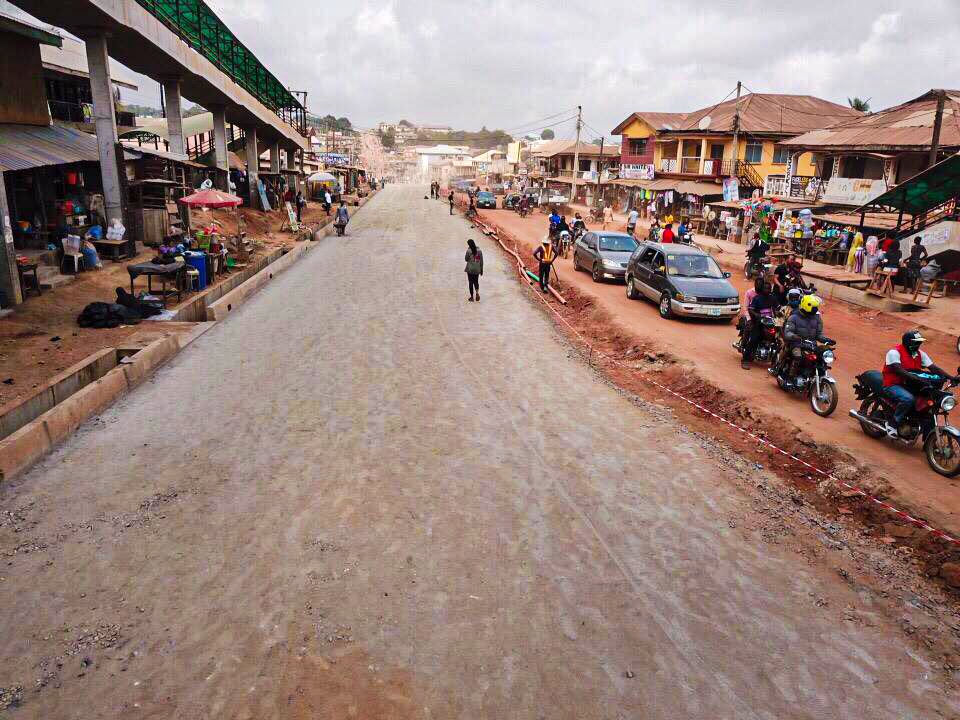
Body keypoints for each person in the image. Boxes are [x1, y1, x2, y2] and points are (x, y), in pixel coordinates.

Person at [882, 330, 958, 437]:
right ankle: (893, 423)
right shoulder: (894, 352)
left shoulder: (920, 354)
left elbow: (933, 368)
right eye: (916, 342)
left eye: (919, 342)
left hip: (910, 385)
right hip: (893, 385)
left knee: (929, 402)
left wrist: (951, 377)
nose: (918, 345)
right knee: (908, 399)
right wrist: (918, 379)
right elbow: (899, 370)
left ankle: (928, 435)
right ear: (908, 342)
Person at [779, 294, 830, 386]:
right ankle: (790, 377)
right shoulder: (794, 317)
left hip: (811, 346)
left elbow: (819, 335)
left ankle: (817, 377)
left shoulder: (817, 319)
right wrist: (794, 336)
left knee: (822, 358)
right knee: (798, 356)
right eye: (814, 307)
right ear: (808, 305)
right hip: (797, 344)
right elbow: (788, 332)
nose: (816, 309)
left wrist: (827, 340)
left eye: (816, 307)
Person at [741, 279, 777, 369]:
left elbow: (777, 308)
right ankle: (745, 360)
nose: (767, 290)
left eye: (768, 289)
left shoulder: (772, 298)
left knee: (777, 339)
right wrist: (757, 315)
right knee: (754, 339)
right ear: (762, 289)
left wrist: (780, 314)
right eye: (765, 288)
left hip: (770, 322)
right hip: (759, 322)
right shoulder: (757, 298)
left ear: (771, 290)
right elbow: (750, 309)